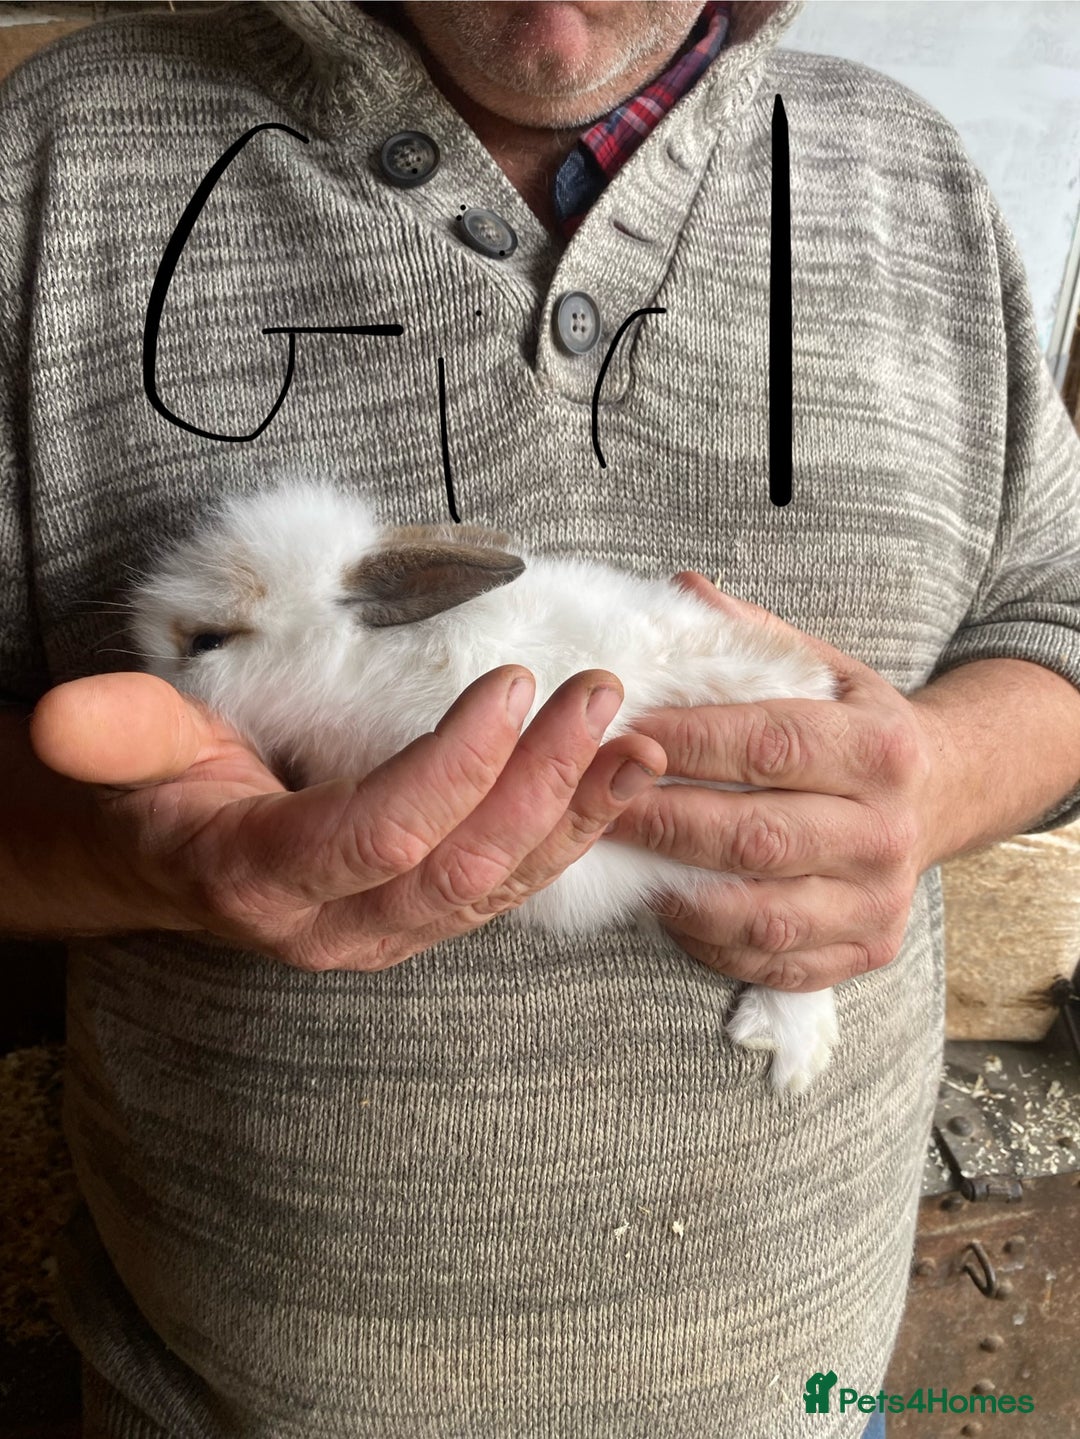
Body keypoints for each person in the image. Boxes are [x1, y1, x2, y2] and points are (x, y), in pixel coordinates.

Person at [2, 2, 1078, 1435]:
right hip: (228, 1405)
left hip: (797, 1392)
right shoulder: (57, 161)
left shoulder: (917, 178)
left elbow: (1056, 616)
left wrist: (943, 775)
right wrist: (126, 859)